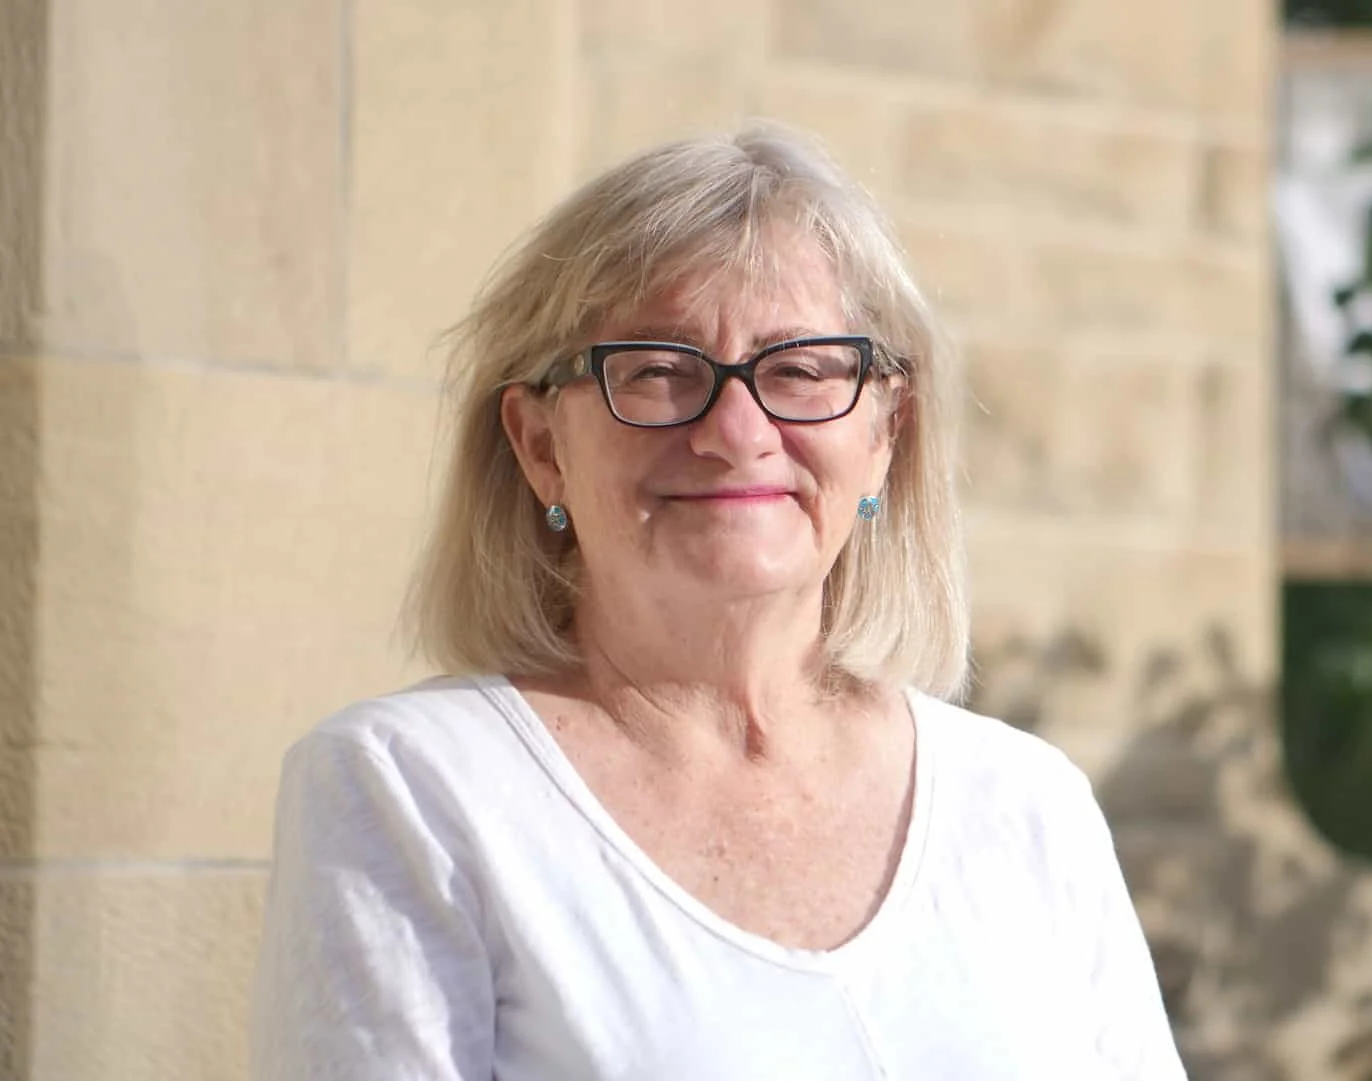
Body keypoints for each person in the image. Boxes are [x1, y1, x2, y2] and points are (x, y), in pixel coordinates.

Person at [249, 122, 1187, 1080]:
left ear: (887, 433)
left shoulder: (1029, 803)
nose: (737, 431)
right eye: (658, 371)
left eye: (800, 369)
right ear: (539, 445)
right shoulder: (411, 789)